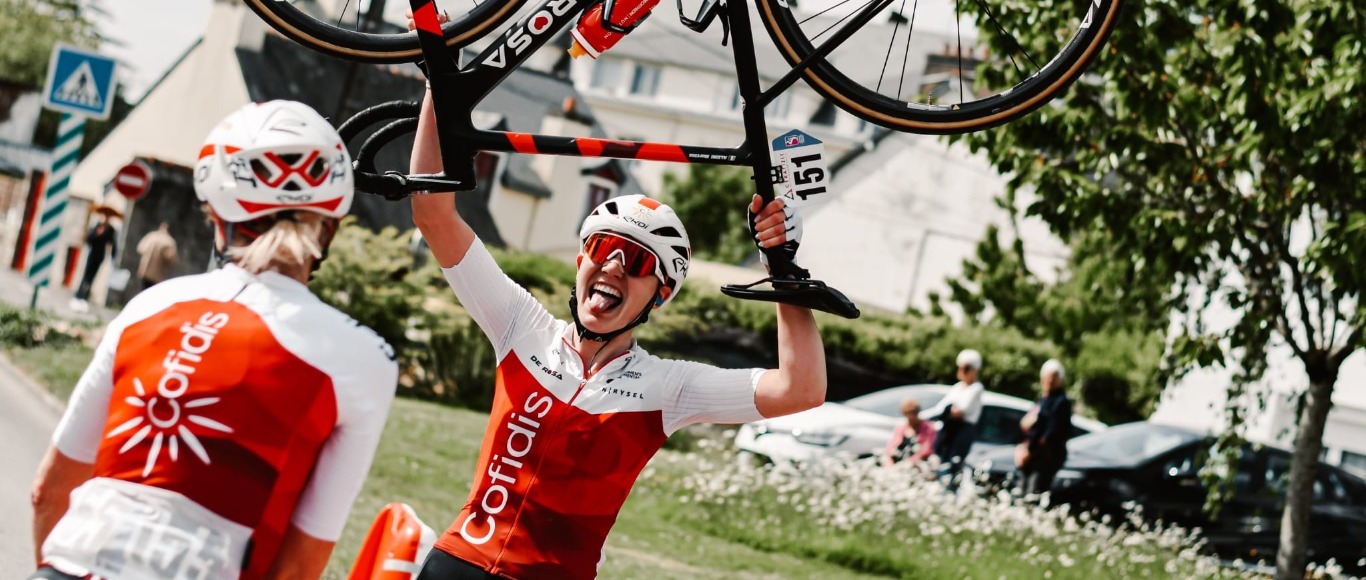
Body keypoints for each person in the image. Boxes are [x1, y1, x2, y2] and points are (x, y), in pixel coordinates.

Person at [406, 80, 827, 578]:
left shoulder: (668, 387)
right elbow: (432, 211)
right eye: (602, 249)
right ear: (582, 258)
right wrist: (440, 83)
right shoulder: (521, 325)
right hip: (459, 563)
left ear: (661, 293)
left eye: (637, 261)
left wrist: (781, 269)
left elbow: (800, 389)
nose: (612, 267)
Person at [29, 100, 399, 580]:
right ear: (329, 225)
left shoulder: (150, 306)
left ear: (217, 216)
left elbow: (50, 489)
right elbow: (301, 561)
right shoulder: (364, 358)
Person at [927, 349, 985, 480]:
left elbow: (960, 411)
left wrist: (949, 410)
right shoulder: (958, 387)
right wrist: (949, 411)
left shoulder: (976, 388)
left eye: (966, 368)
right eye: (960, 368)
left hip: (962, 431)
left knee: (953, 464)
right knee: (936, 461)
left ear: (974, 370)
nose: (961, 372)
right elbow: (942, 408)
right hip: (949, 430)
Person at [1018, 359, 1073, 496]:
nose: (1049, 381)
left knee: (1033, 493)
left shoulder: (1061, 402)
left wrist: (1029, 453)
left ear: (1060, 380)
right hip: (1031, 455)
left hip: (1044, 457)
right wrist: (1022, 449)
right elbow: (1026, 425)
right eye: (1047, 377)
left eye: (1054, 378)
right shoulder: (1042, 400)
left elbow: (1051, 433)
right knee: (1022, 492)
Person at [72, 216, 118, 305]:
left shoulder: (111, 230)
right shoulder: (98, 226)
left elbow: (113, 244)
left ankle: (85, 295)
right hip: (92, 254)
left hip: (100, 255)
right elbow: (89, 239)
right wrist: (97, 234)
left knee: (92, 276)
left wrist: (113, 257)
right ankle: (79, 294)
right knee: (86, 275)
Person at [881, 397, 937, 468]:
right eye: (907, 413)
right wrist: (889, 461)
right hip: (900, 460)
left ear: (918, 411)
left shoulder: (928, 427)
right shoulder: (900, 428)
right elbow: (890, 447)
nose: (911, 416)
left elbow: (927, 449)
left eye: (913, 412)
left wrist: (912, 461)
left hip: (918, 462)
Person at [135, 221, 178, 289]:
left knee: (143, 291)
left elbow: (140, 249)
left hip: (145, 271)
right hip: (157, 276)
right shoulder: (169, 242)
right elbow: (171, 260)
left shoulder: (151, 236)